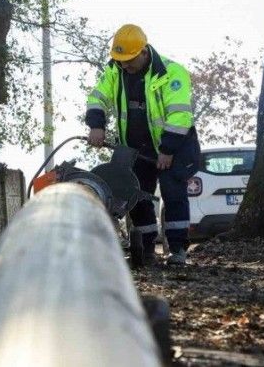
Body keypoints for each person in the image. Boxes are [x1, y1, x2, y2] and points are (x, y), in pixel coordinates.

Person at [85, 24, 200, 265]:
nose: (124, 65)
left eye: (129, 60)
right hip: (135, 149)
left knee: (173, 193)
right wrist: (96, 124)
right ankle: (146, 249)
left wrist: (167, 149)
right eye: (120, 60)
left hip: (174, 146)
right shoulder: (114, 71)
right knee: (134, 196)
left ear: (144, 52)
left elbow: (179, 116)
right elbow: (97, 96)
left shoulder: (172, 73)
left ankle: (177, 250)